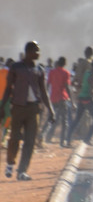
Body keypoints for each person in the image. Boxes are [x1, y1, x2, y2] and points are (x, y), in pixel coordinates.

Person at [1, 42, 55, 180]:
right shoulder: (16, 67)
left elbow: (43, 92)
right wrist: (2, 106)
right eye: (37, 51)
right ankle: (10, 163)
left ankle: (22, 171)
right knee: (14, 138)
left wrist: (51, 110)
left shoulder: (39, 69)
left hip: (33, 109)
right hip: (18, 107)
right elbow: (8, 88)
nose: (39, 53)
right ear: (29, 51)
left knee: (30, 141)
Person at [67, 59, 93, 146]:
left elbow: (82, 84)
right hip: (87, 99)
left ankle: (67, 139)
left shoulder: (86, 73)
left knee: (77, 119)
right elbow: (91, 91)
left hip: (81, 98)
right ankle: (87, 139)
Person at [43, 57, 74, 147]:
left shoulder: (52, 72)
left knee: (50, 118)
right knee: (64, 121)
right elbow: (67, 87)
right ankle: (62, 142)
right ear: (64, 63)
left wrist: (46, 97)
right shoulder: (66, 73)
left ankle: (43, 136)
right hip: (62, 99)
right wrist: (72, 101)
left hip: (53, 99)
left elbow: (47, 85)